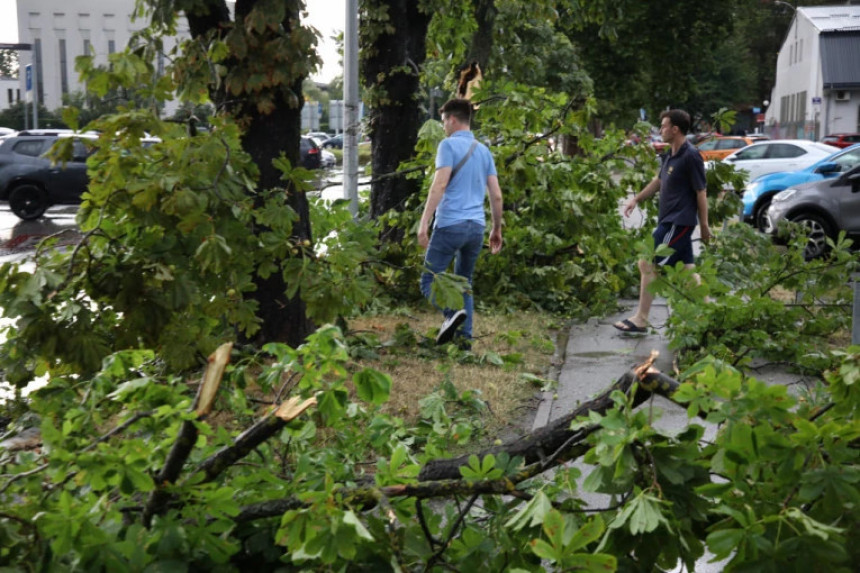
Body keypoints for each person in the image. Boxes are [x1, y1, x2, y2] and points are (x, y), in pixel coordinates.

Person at [614, 109, 711, 333]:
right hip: (669, 220)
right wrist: (636, 199)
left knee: (647, 262)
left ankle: (641, 319)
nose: (660, 130)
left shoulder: (690, 156)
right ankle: (711, 316)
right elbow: (658, 181)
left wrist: (704, 226)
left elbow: (701, 192)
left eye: (664, 126)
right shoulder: (670, 155)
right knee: (688, 270)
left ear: (675, 129)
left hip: (678, 221)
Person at [418, 98, 504, 346]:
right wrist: (496, 229)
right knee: (464, 283)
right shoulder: (484, 150)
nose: (443, 126)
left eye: (444, 120)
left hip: (449, 225)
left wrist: (424, 223)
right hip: (476, 227)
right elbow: (496, 194)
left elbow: (440, 184)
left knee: (429, 279)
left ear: (452, 120)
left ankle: (451, 313)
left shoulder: (447, 146)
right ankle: (464, 342)